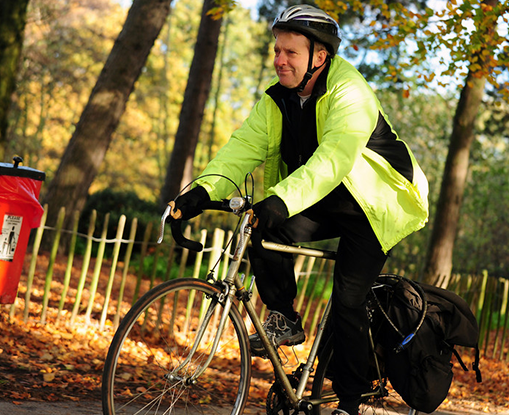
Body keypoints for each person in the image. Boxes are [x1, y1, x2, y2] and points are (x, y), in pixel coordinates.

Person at [168, 5, 429, 415]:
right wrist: (198, 194)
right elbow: (239, 151)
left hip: (376, 202)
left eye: (290, 52)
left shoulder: (351, 92)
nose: (280, 60)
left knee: (347, 298)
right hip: (324, 194)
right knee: (260, 226)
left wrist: (283, 200)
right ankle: (285, 317)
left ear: (319, 57)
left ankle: (350, 399)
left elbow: (333, 159)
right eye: (277, 51)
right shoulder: (277, 101)